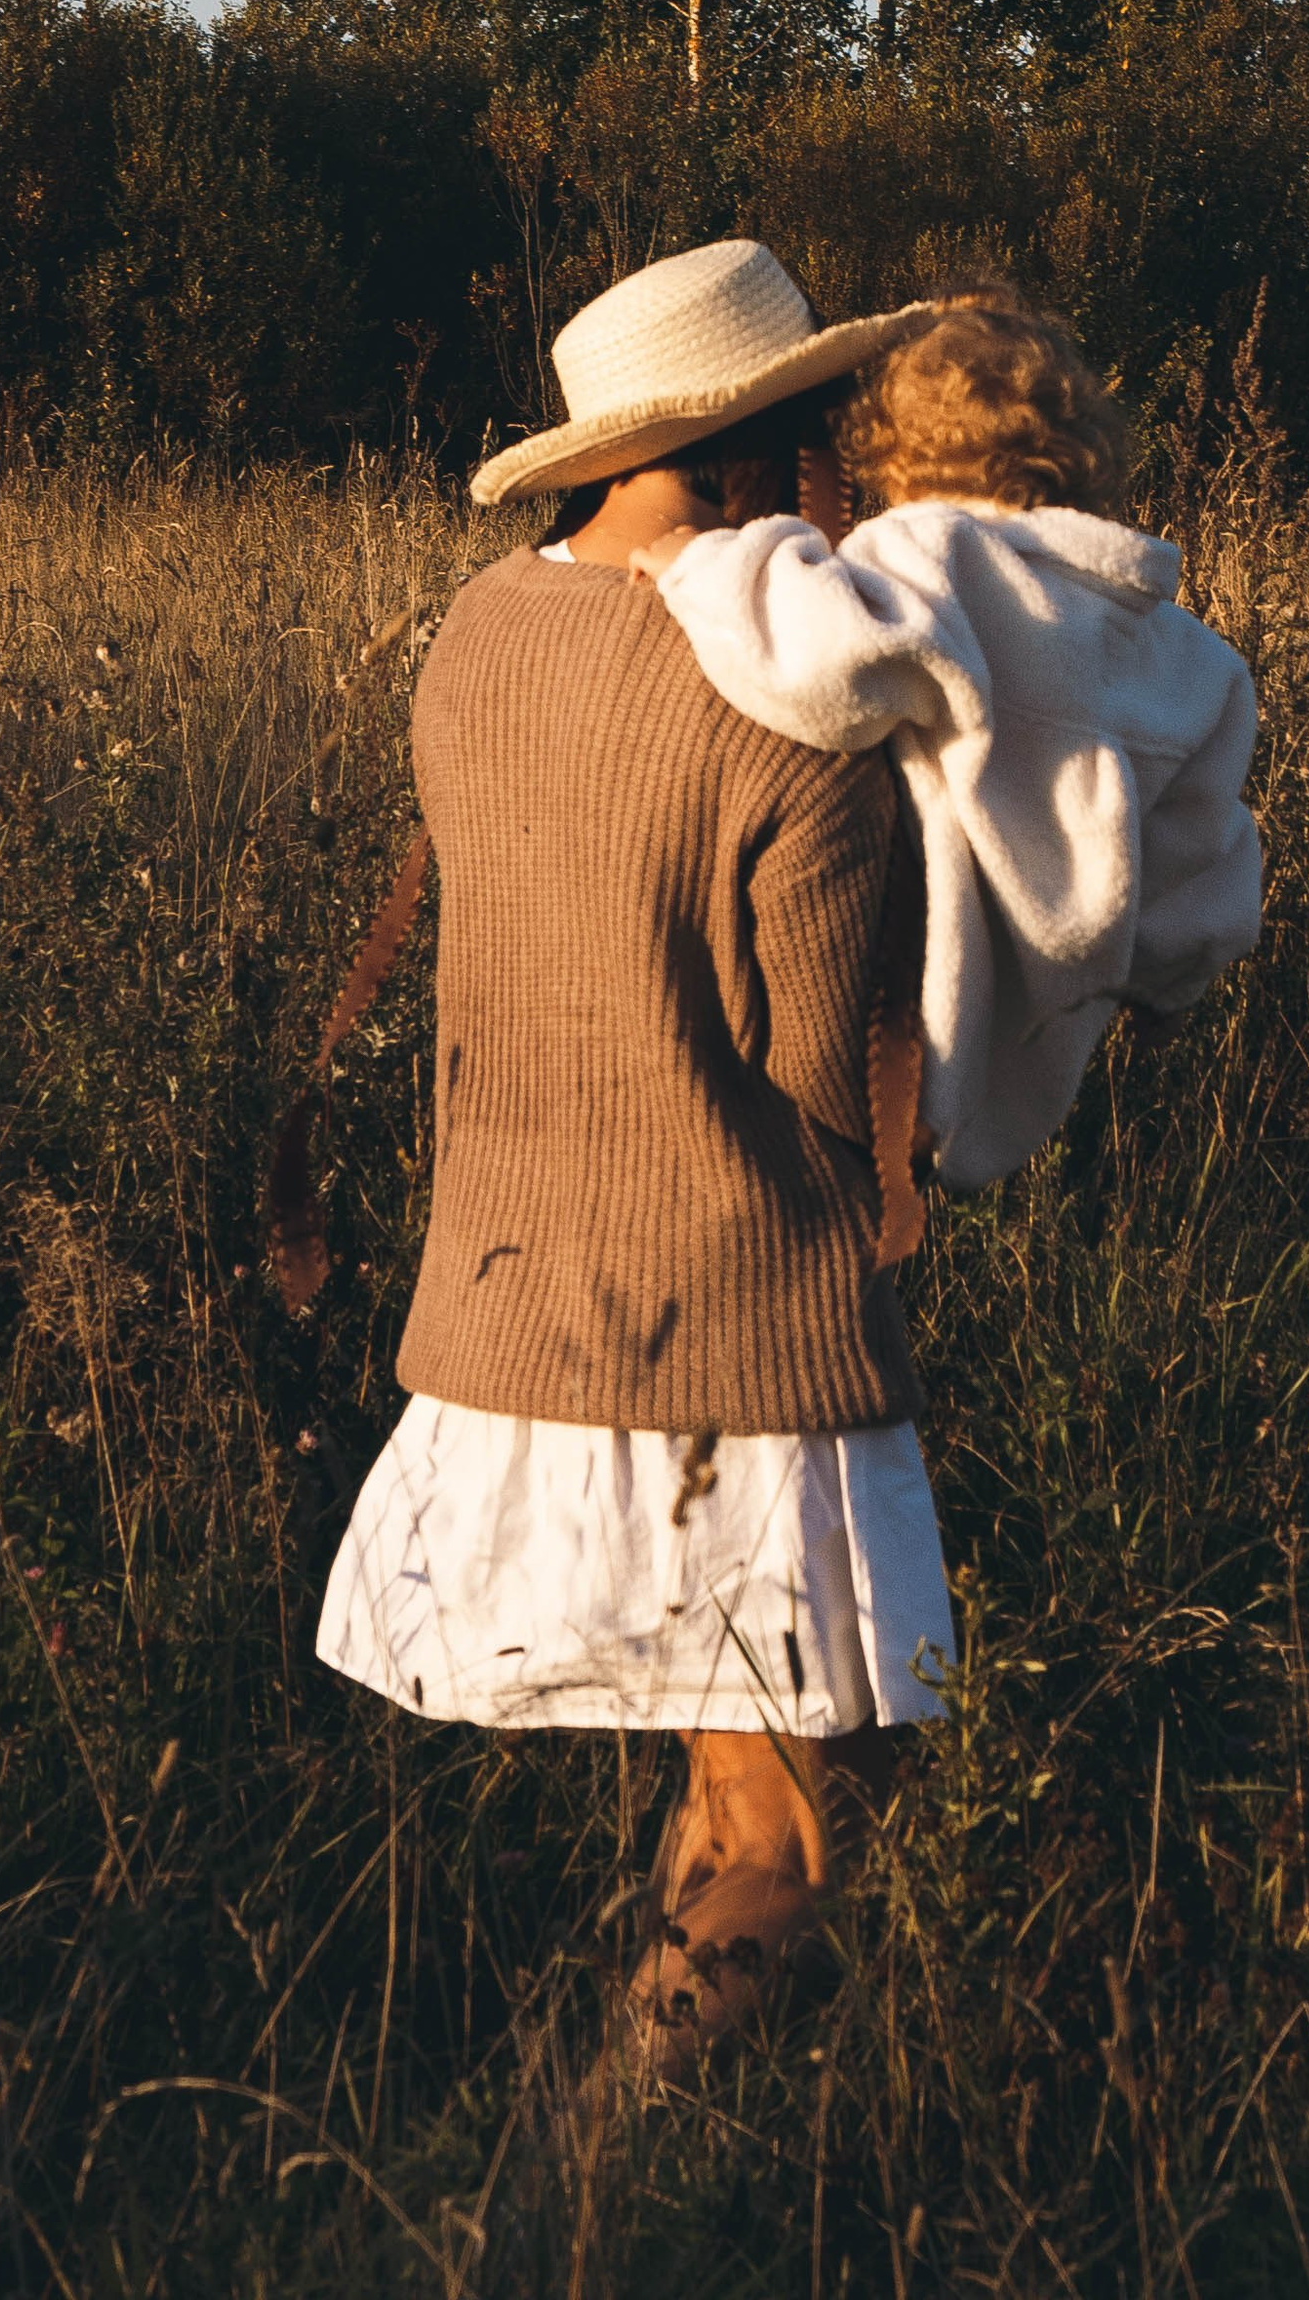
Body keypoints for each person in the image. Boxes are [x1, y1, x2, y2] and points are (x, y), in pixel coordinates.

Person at [314, 239, 948, 2075]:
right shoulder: (787, 698)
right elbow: (824, 1064)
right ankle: (611, 2191)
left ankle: (645, 2173)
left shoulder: (479, 631)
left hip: (514, 1325)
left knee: (725, 1789)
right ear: (745, 459)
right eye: (819, 438)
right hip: (739, 1341)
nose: (840, 478)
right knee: (787, 1832)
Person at [636, 289, 1261, 1187]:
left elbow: (821, 668)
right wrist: (1171, 983)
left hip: (920, 1013)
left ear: (896, 452)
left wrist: (705, 565)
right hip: (1060, 1019)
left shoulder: (931, 560)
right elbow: (1211, 859)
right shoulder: (1192, 656)